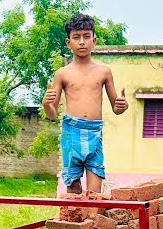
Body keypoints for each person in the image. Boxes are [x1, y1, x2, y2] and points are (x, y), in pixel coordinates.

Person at [41, 13, 128, 196]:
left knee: (95, 192)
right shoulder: (62, 74)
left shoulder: (104, 72)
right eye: (76, 37)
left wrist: (122, 105)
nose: (82, 42)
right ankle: (72, 224)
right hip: (71, 133)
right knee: (73, 188)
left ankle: (92, 224)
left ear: (94, 40)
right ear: (68, 42)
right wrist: (46, 103)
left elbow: (116, 107)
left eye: (86, 36)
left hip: (94, 132)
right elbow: (51, 113)